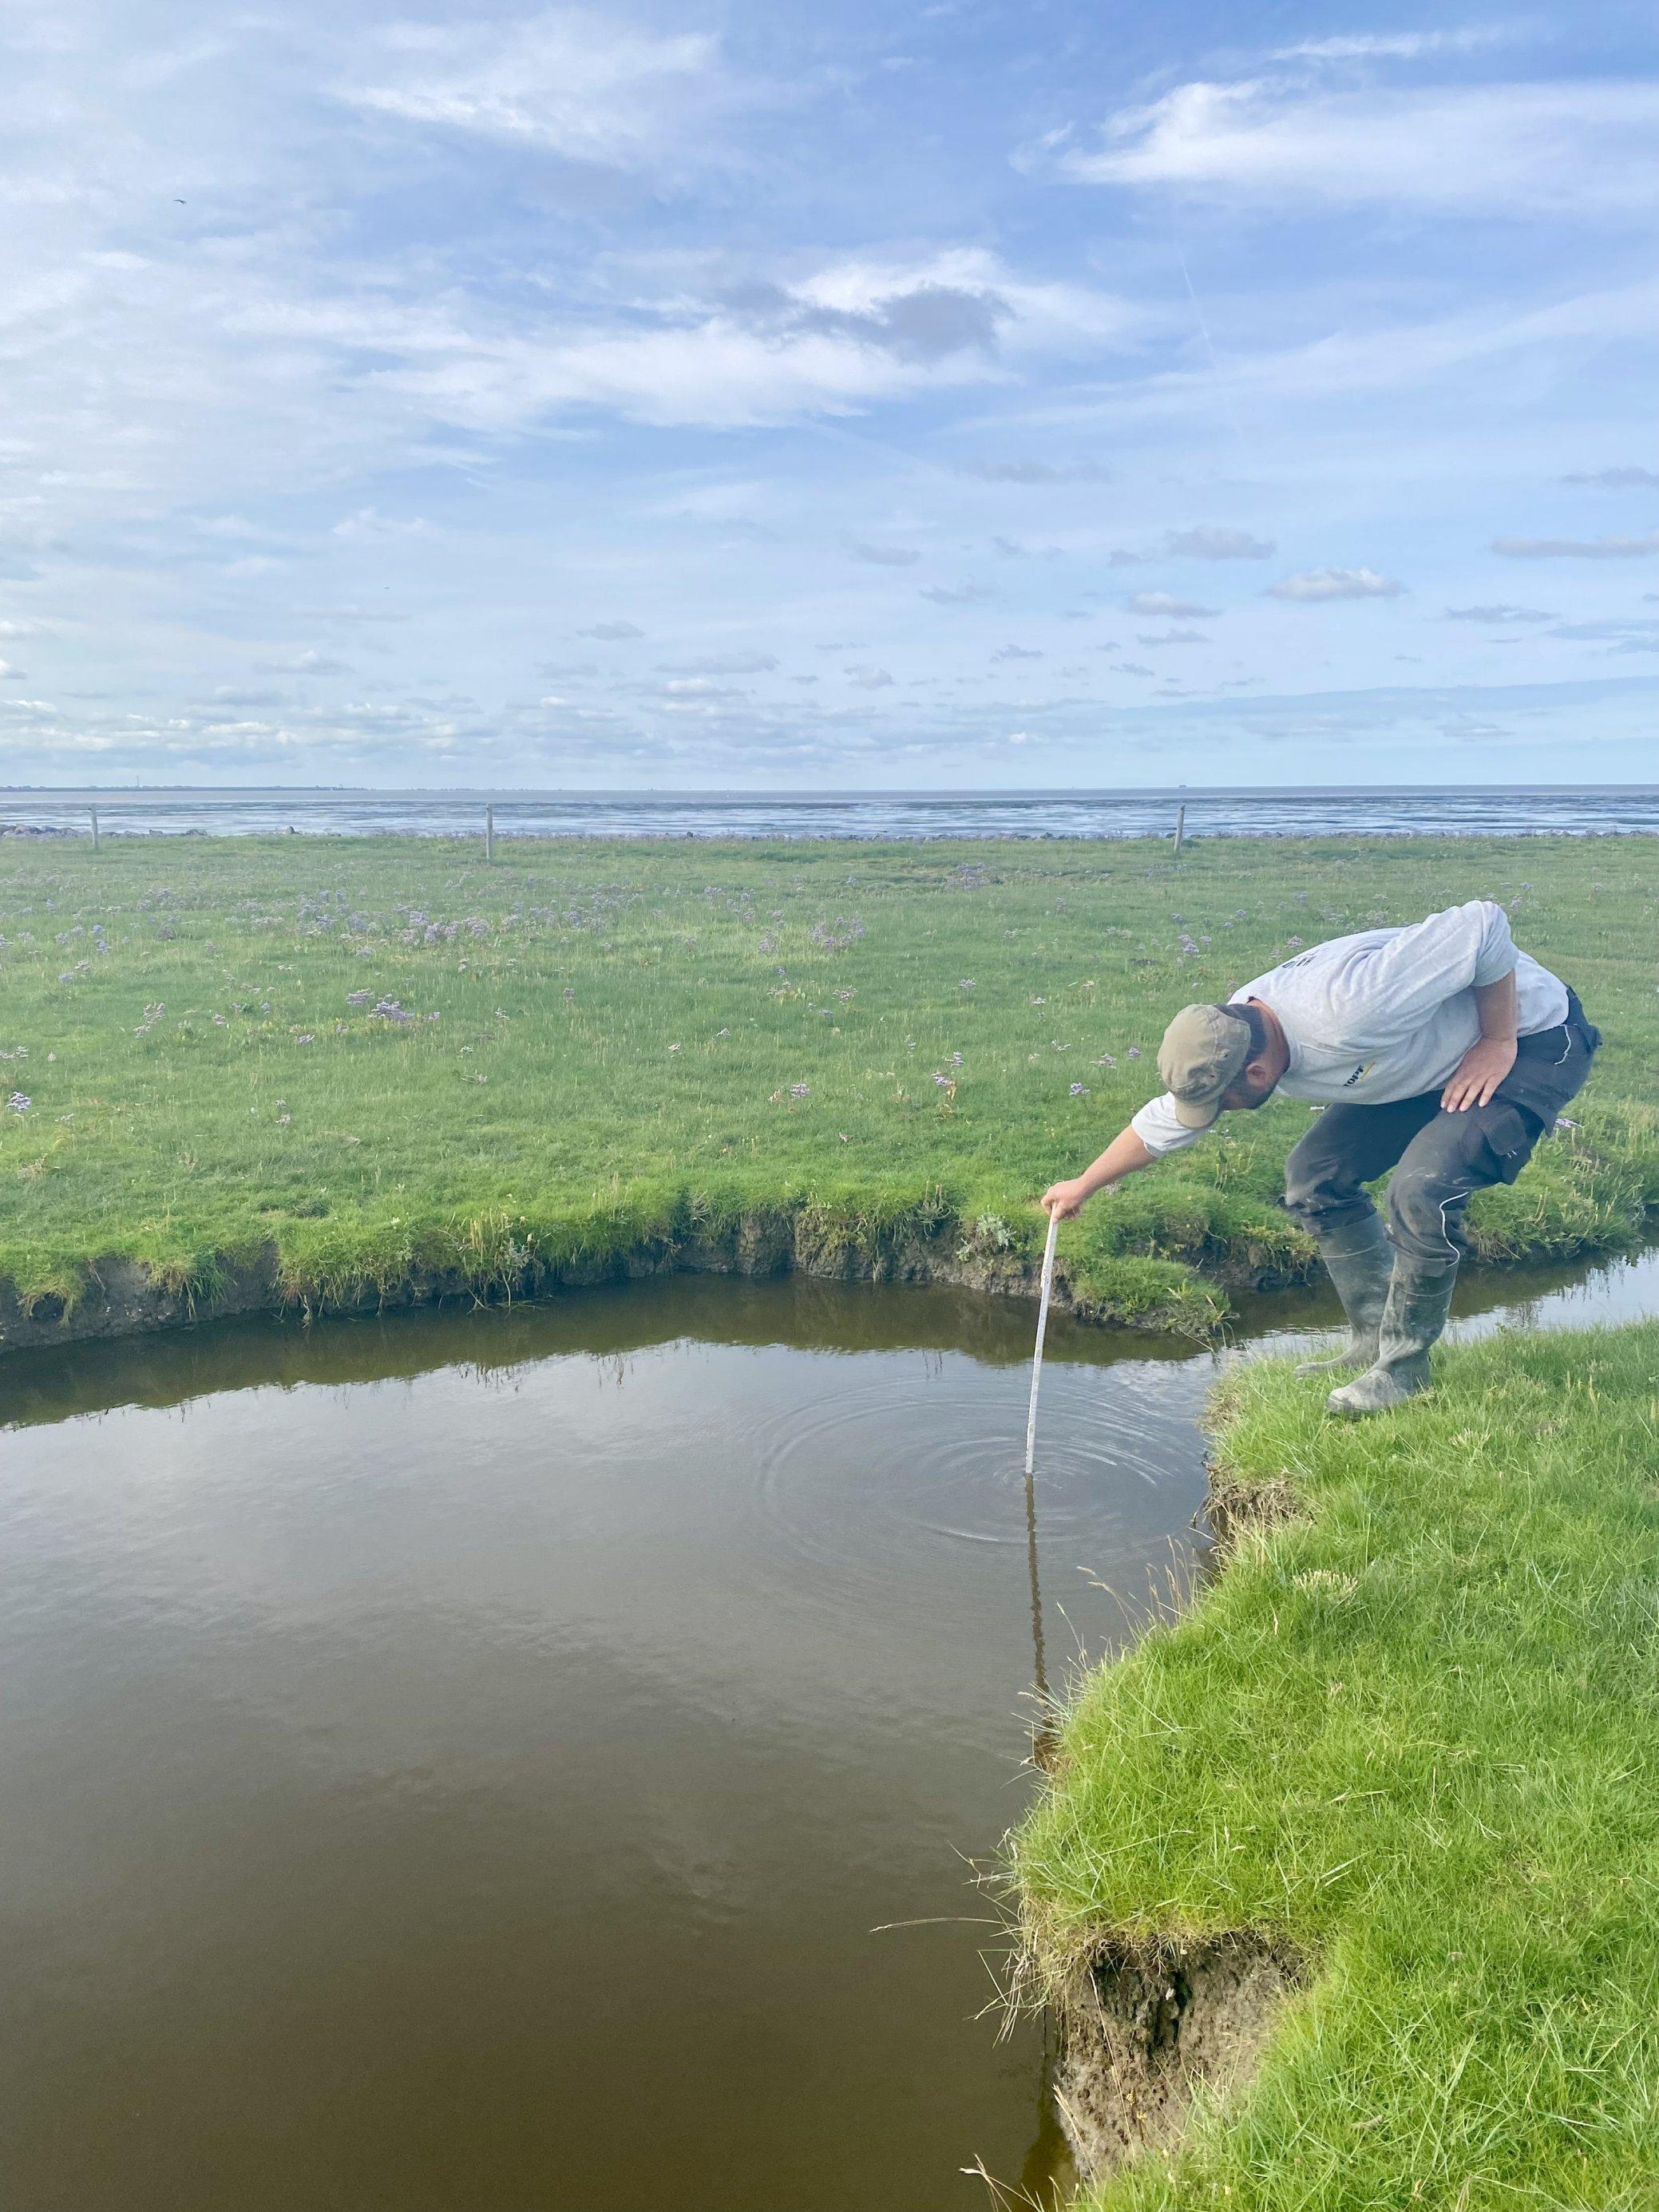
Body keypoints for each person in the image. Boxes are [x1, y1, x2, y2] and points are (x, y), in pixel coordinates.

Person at [1040, 900, 1599, 1416]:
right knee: (1314, 1177)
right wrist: (1084, 1184)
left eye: (1222, 1103)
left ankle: (1403, 1371)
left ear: (1256, 1073)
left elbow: (1484, 925)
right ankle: (1372, 1343)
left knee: (1420, 1189)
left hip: (1532, 1038)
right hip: (1432, 1062)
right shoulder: (1236, 1032)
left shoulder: (1349, 1011)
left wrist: (1497, 1040)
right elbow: (1165, 1122)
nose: (1217, 1115)